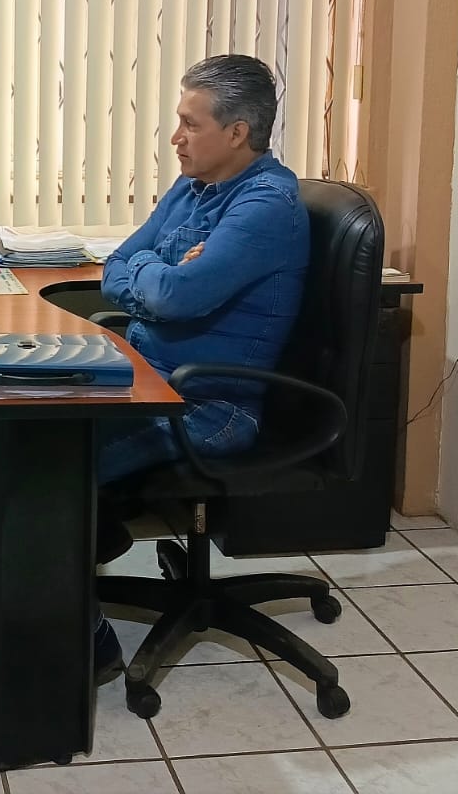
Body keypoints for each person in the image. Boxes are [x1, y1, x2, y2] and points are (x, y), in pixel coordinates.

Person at [93, 54, 310, 679]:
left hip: (209, 406)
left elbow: (173, 298)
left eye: (191, 124)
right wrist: (160, 273)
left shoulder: (265, 207)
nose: (175, 138)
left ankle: (92, 642)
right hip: (151, 379)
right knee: (33, 428)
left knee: (51, 466)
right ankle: (90, 537)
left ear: (237, 132)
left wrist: (159, 280)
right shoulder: (195, 187)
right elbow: (116, 268)